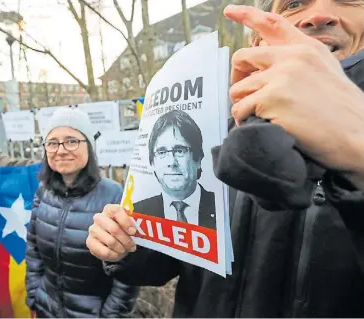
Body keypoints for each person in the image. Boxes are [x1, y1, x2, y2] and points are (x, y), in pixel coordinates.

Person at [86, 2, 364, 318]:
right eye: (293, 4)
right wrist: (125, 245)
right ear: (258, 41)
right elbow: (168, 263)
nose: (318, 15)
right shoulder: (212, 132)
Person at [26, 108, 138, 318]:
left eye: (71, 141)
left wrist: (110, 316)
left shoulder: (113, 195)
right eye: (52, 143)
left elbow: (126, 272)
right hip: (46, 309)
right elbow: (33, 247)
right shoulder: (43, 191)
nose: (60, 150)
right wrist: (34, 293)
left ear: (89, 147)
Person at [135, 110, 216, 229]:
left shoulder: (223, 205)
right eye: (162, 152)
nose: (171, 162)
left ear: (198, 159)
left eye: (179, 151)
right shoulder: (136, 213)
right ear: (152, 162)